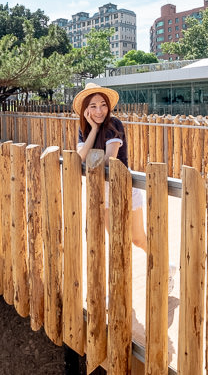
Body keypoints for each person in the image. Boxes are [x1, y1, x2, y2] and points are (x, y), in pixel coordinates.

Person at [72, 82, 177, 293]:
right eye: (93, 106)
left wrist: (90, 157)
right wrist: (92, 129)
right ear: (85, 109)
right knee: (117, 243)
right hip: (103, 193)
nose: (99, 110)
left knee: (138, 239)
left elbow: (109, 159)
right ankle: (118, 290)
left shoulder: (115, 124)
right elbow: (79, 159)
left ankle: (166, 268)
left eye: (103, 104)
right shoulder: (84, 129)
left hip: (124, 188)